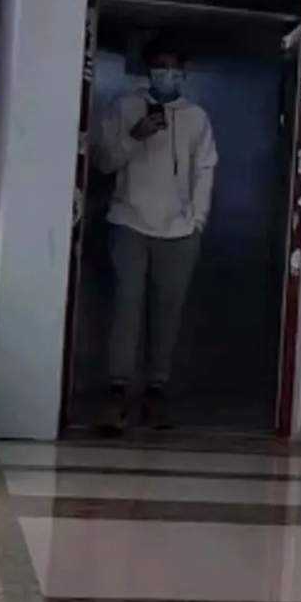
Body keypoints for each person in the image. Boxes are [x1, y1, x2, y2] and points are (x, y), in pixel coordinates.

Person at [95, 35, 218, 433]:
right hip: (128, 221)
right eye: (162, 67)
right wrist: (135, 135)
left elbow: (205, 170)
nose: (169, 75)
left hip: (179, 231)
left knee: (168, 313)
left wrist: (198, 220)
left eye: (176, 69)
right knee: (126, 308)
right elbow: (103, 161)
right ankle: (117, 394)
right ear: (149, 70)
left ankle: (156, 394)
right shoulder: (124, 108)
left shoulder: (196, 117)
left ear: (184, 74)